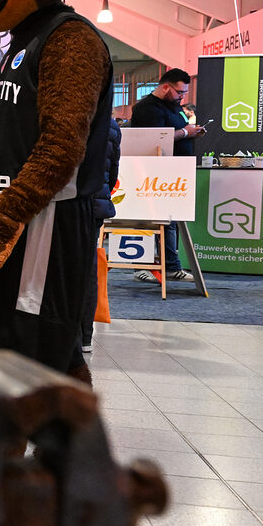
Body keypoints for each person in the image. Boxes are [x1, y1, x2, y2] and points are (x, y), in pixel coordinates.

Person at [129, 67, 202, 281]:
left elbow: (175, 132)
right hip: (152, 172)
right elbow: (153, 140)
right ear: (165, 87)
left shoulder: (174, 106)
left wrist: (191, 133)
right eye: (180, 92)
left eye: (185, 93)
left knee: (169, 221)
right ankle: (140, 266)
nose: (182, 97)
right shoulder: (146, 108)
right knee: (146, 221)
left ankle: (171, 266)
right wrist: (184, 133)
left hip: (173, 172)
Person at [82, 117, 122, 353]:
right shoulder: (111, 124)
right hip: (97, 203)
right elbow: (113, 170)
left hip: (69, 202)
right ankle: (85, 334)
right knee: (88, 269)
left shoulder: (67, 112)